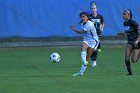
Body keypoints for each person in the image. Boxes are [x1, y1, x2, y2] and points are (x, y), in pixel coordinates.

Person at [70, 12, 99, 76]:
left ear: (87, 17)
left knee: (87, 58)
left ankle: (81, 72)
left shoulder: (90, 24)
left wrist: (73, 28)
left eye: (83, 16)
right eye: (81, 17)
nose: (82, 18)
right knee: (82, 48)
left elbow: (80, 32)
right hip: (86, 39)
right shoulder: (82, 23)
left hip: (93, 41)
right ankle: (84, 62)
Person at [118, 9, 140, 75]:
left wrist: (137, 40)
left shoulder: (132, 22)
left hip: (136, 42)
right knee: (127, 57)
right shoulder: (124, 23)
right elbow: (128, 33)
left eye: (125, 14)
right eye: (123, 14)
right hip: (130, 42)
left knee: (133, 60)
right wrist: (123, 34)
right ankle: (130, 73)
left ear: (129, 15)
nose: (123, 15)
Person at [89, 3, 105, 67]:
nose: (93, 10)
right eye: (92, 8)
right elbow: (86, 24)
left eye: (94, 8)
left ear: (96, 9)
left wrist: (102, 27)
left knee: (94, 47)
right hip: (90, 34)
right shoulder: (89, 17)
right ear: (90, 9)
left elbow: (103, 22)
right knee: (90, 48)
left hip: (97, 34)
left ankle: (94, 61)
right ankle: (93, 59)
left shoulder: (100, 16)